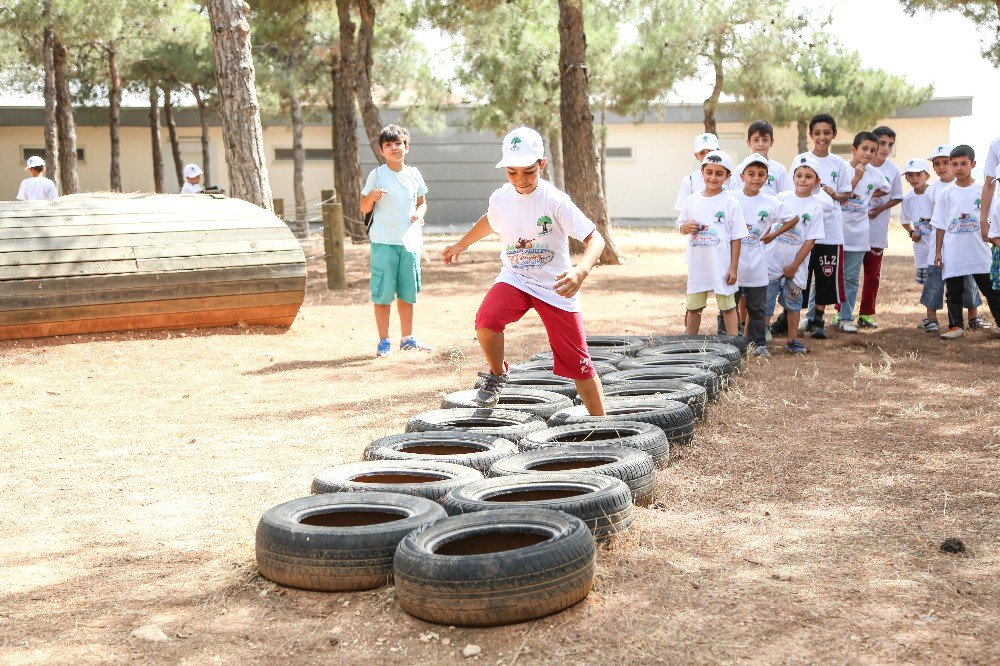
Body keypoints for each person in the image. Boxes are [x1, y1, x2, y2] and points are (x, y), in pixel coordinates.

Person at [441, 127, 607, 413]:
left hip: (555, 286)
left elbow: (596, 238)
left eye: (528, 171)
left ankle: (604, 426)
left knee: (579, 363)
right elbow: (490, 221)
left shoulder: (555, 200)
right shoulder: (501, 197)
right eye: (512, 172)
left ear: (541, 164)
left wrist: (581, 270)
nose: (521, 180)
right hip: (515, 278)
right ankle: (497, 373)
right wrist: (461, 244)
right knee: (486, 319)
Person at [360, 124, 431, 357]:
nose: (393, 148)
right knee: (382, 294)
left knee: (407, 293)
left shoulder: (414, 174)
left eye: (398, 144)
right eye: (388, 145)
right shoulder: (377, 175)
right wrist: (371, 196)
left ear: (406, 147)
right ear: (382, 151)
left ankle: (407, 339)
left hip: (408, 243)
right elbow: (363, 207)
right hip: (383, 242)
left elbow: (422, 203)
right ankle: (383, 341)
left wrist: (418, 215)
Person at [676, 150, 748, 336]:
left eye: (719, 173)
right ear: (702, 172)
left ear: (728, 175)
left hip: (722, 264)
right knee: (694, 306)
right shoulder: (692, 201)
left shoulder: (731, 203)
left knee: (727, 306)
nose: (713, 177)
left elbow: (737, 237)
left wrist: (733, 267)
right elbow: (680, 226)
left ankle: (734, 344)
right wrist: (686, 227)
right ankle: (690, 344)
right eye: (709, 172)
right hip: (699, 264)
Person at [931, 145, 1000, 340]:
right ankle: (956, 327)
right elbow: (941, 225)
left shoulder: (983, 190)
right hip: (954, 252)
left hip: (979, 252)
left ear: (973, 164)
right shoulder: (946, 193)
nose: (959, 168)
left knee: (992, 290)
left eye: (964, 163)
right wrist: (938, 252)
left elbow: (994, 218)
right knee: (953, 292)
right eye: (955, 164)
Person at [733, 153, 798, 356]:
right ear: (742, 176)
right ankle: (729, 341)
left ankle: (758, 344)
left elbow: (793, 218)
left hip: (758, 263)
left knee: (756, 307)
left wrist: (772, 234)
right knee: (729, 305)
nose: (756, 178)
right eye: (751, 174)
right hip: (733, 262)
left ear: (767, 178)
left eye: (761, 174)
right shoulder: (731, 198)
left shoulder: (770, 201)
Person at [795, 114, 852, 339]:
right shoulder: (801, 159)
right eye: (817, 133)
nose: (822, 137)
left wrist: (834, 194)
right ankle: (790, 316)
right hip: (805, 230)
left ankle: (818, 319)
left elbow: (846, 195)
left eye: (827, 133)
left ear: (834, 135)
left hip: (830, 230)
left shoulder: (839, 163)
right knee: (801, 274)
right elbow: (796, 186)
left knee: (826, 275)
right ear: (810, 135)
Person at [765, 154, 826, 355]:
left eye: (808, 176)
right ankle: (760, 338)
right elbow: (768, 222)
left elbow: (810, 241)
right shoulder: (781, 198)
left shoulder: (816, 206)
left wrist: (794, 265)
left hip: (797, 264)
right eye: (799, 175)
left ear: (817, 181)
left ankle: (792, 340)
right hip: (772, 259)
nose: (802, 180)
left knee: (793, 302)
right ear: (793, 177)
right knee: (766, 300)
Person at [921, 144, 985, 332]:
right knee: (937, 285)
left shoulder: (974, 187)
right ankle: (932, 319)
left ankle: (973, 317)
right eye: (937, 164)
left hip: (968, 247)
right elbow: (933, 222)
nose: (942, 167)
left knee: (970, 283)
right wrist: (937, 250)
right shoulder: (933, 190)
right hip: (941, 247)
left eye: (946, 162)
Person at [835, 131, 890, 333]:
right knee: (827, 276)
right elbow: (841, 197)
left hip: (858, 236)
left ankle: (846, 316)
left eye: (872, 150)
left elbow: (886, 187)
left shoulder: (876, 175)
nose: (868, 153)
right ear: (853, 150)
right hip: (836, 233)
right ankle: (814, 315)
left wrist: (869, 194)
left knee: (850, 277)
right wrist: (857, 178)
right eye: (864, 149)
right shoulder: (841, 170)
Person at [858, 126, 904, 328]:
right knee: (848, 275)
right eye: (882, 143)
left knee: (872, 276)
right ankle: (841, 312)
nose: (885, 148)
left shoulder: (892, 170)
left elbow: (896, 197)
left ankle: (866, 314)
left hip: (877, 231)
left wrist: (879, 209)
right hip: (854, 232)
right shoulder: (859, 166)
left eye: (890, 145)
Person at [899, 158, 935, 324]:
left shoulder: (935, 193)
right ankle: (931, 318)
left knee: (948, 285)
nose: (914, 178)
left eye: (918, 174)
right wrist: (912, 232)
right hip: (922, 250)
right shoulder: (907, 199)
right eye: (910, 175)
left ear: (927, 175)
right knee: (928, 285)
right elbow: (904, 220)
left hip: (939, 248)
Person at [674, 132, 727, 213]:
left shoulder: (728, 178)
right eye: (702, 153)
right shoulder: (689, 180)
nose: (706, 156)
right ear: (696, 156)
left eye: (710, 151)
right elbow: (683, 213)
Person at [741, 120, 793, 196]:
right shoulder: (741, 168)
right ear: (748, 142)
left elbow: (786, 196)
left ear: (772, 142)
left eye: (765, 140)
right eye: (756, 140)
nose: (760, 144)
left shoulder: (779, 169)